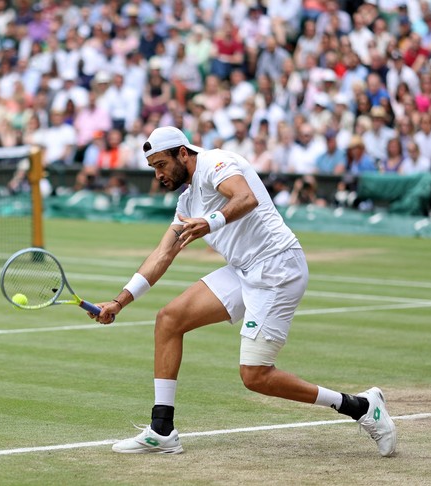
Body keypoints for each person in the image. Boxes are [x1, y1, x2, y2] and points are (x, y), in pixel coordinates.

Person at [88, 126, 396, 457]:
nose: (158, 174)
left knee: (255, 375)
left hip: (278, 268)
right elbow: (162, 254)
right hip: (244, 270)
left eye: (161, 165)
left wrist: (212, 222)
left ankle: (360, 406)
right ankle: (162, 430)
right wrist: (120, 301)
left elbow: (245, 197)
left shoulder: (215, 162)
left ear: (182, 153)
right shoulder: (187, 202)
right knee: (169, 319)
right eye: (153, 168)